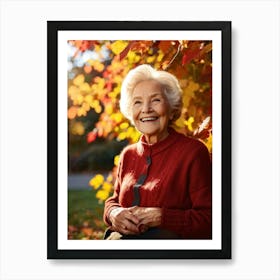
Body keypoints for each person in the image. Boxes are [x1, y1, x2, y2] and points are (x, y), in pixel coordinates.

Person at [103, 64, 212, 239]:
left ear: (172, 109)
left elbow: (210, 219)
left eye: (155, 100)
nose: (146, 109)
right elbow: (114, 200)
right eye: (138, 102)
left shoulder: (193, 152)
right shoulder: (128, 154)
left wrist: (162, 217)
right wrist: (113, 213)